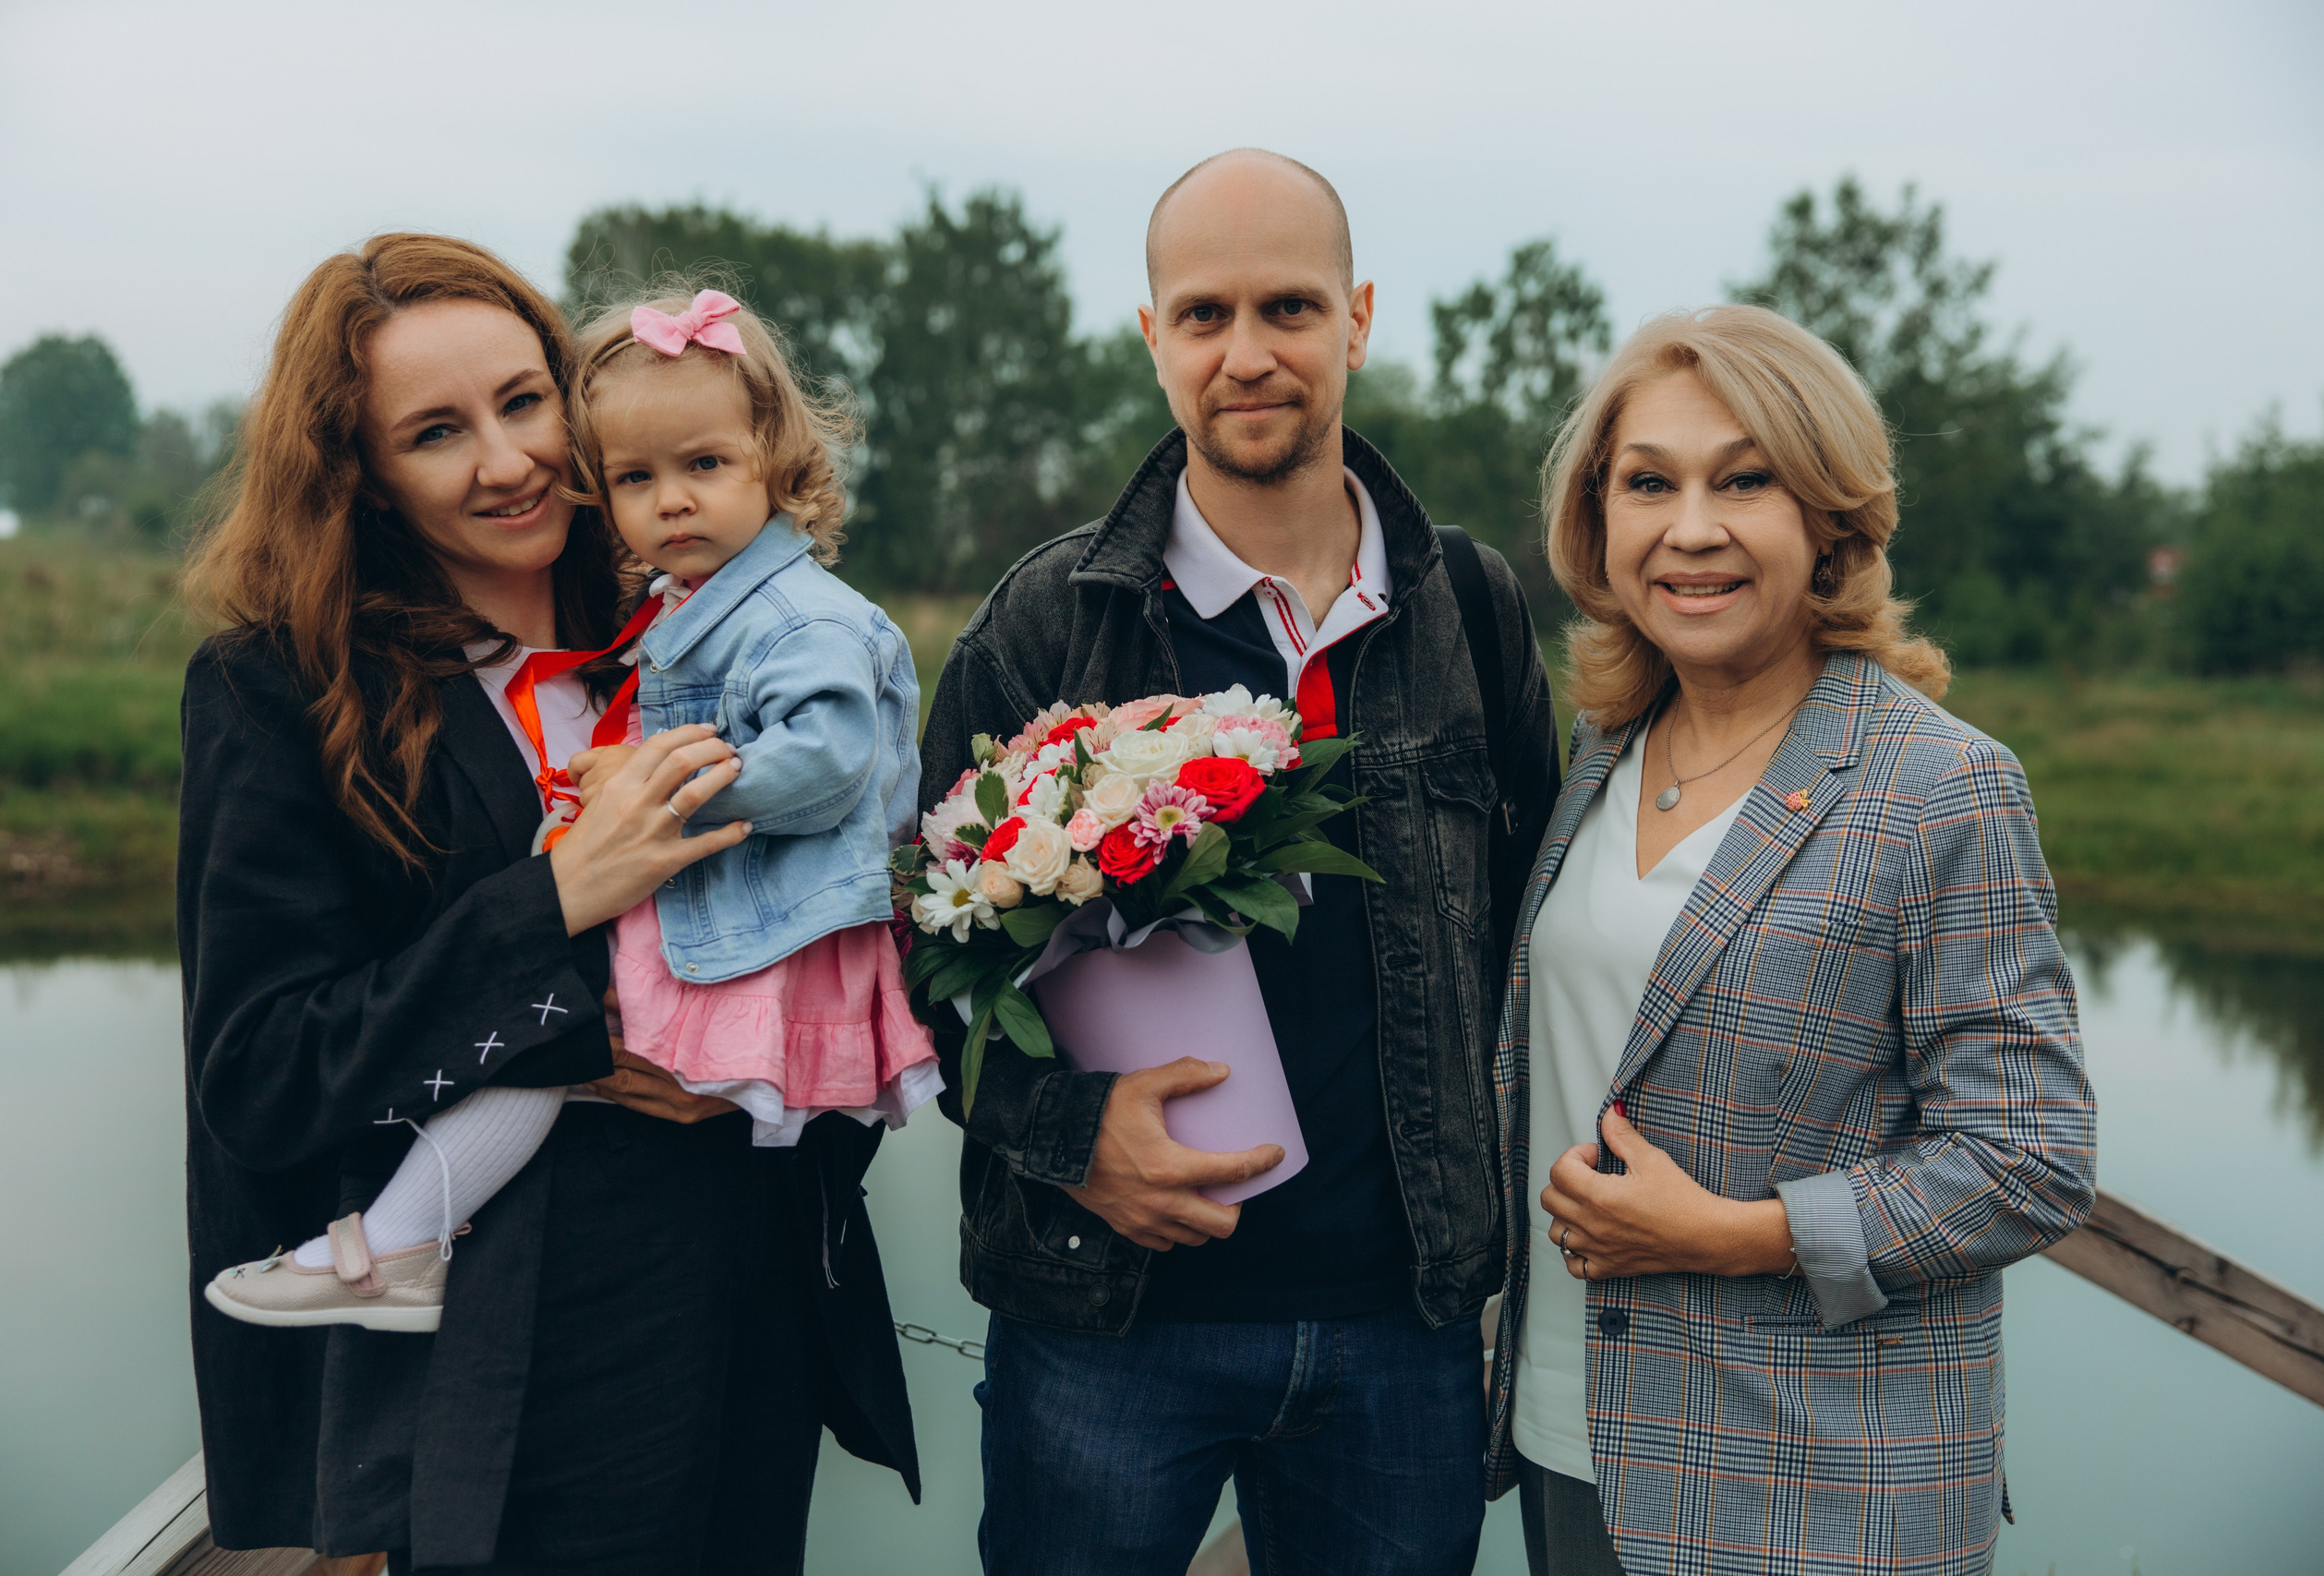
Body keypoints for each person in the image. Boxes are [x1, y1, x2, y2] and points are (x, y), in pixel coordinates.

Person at [177, 235, 917, 1574]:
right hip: (504, 1370)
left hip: (747, 1304)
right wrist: (556, 899)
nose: (509, 460)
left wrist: (758, 1082)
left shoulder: (703, 620)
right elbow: (264, 1073)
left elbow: (854, 895)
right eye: (436, 433)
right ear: (362, 472)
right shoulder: (278, 690)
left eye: (525, 403)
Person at [918, 149, 1563, 1576]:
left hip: (1404, 1328)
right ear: (1154, 338)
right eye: (1206, 315)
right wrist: (1070, 1135)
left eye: (1290, 307)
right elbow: (917, 962)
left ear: (1359, 319)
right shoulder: (1047, 621)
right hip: (1106, 1324)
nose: (1248, 353)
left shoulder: (1471, 607)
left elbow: (1537, 928)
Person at [1486, 305, 2098, 1575]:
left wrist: (1731, 1234)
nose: (1691, 527)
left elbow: (2029, 1157)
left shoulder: (1942, 786)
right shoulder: (1599, 751)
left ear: (1829, 519)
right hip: (1571, 1436)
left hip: (1816, 1487)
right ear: (1598, 519)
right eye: (1649, 483)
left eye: (1744, 480)